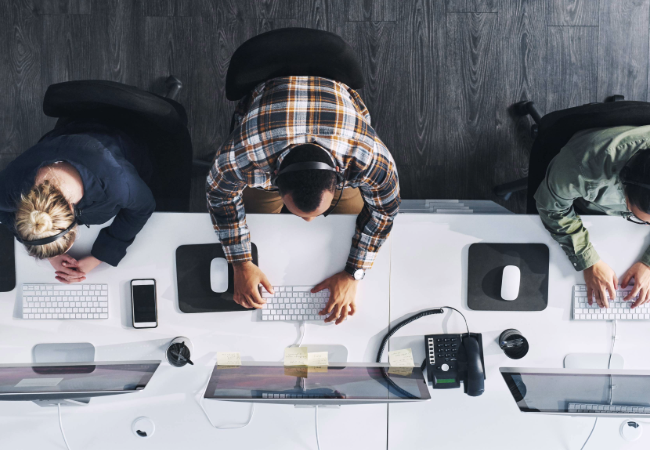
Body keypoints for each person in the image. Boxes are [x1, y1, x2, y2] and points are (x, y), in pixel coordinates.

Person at [206, 75, 400, 325]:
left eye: (317, 212)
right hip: (268, 113)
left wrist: (353, 274)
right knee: (258, 223)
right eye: (299, 213)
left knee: (351, 221)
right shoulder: (244, 155)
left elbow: (385, 211)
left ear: (339, 179)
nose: (308, 221)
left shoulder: (368, 157)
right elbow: (219, 195)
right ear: (273, 180)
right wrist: (241, 263)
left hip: (339, 113)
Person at [0, 119, 156, 284]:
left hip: (124, 137)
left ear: (72, 211)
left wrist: (99, 256)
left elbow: (143, 207)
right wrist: (53, 256)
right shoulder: (10, 188)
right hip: (66, 137)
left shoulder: (118, 185)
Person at [535, 125, 650, 309]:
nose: (646, 226)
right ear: (624, 186)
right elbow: (552, 208)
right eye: (642, 220)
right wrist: (589, 262)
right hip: (583, 201)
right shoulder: (579, 168)